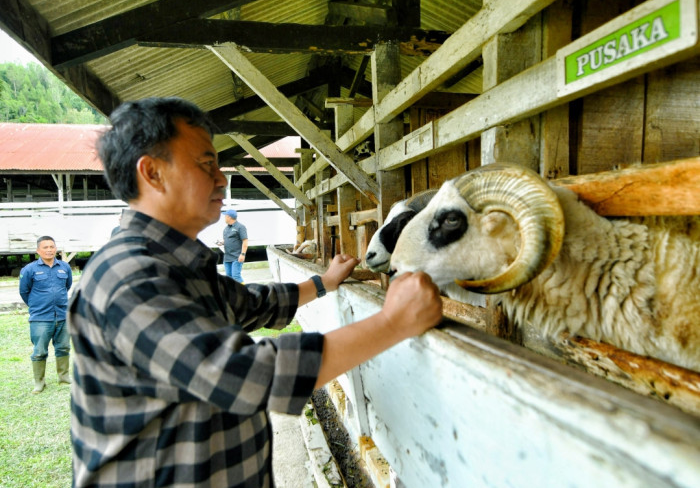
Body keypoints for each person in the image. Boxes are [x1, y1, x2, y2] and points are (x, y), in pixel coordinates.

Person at [68, 96, 443, 488]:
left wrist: (324, 282)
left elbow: (252, 304)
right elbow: (242, 374)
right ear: (153, 173)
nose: (221, 178)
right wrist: (393, 322)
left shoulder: (177, 267)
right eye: (206, 163)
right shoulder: (127, 277)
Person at [19, 235, 73, 394]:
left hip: (63, 315)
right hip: (41, 318)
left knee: (63, 347)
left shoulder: (64, 267)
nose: (49, 250)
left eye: (52, 247)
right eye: (45, 247)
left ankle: (64, 377)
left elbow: (67, 286)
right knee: (39, 351)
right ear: (38, 251)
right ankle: (39, 382)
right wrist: (38, 305)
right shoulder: (29, 269)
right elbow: (24, 291)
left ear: (56, 249)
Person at [218, 208, 248, 282]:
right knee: (229, 277)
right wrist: (221, 242)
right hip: (227, 256)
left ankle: (245, 291)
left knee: (236, 276)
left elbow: (245, 241)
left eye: (225, 216)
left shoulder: (240, 227)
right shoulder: (226, 228)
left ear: (229, 217)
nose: (224, 218)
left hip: (237, 256)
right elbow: (228, 239)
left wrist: (243, 254)